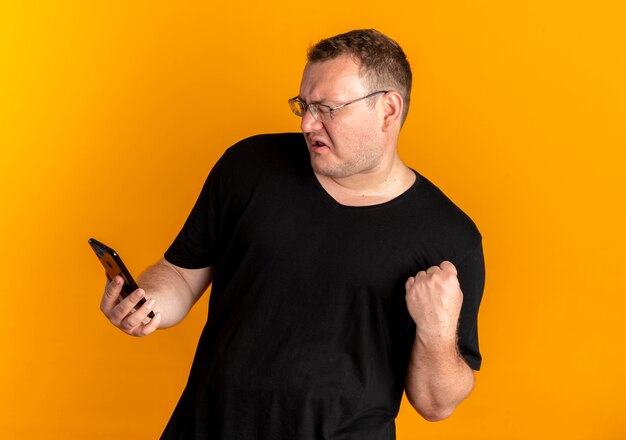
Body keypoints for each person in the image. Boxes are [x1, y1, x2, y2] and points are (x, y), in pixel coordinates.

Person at [100, 29, 485, 439]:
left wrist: (438, 330)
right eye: (303, 105)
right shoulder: (249, 167)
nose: (307, 123)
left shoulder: (448, 237)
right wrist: (149, 304)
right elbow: (180, 273)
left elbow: (435, 404)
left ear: (388, 110)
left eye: (326, 108)